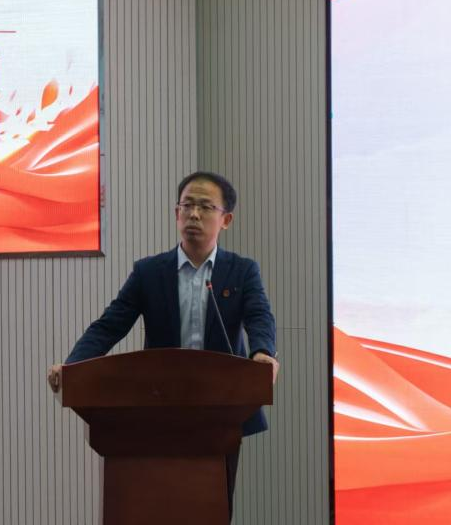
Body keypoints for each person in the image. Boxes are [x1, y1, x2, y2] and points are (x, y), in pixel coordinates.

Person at [46, 171, 278, 520]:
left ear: (226, 219)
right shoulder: (149, 272)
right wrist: (73, 366)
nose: (194, 214)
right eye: (187, 205)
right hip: (155, 409)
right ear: (176, 213)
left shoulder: (242, 271)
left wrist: (263, 353)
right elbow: (109, 326)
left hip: (220, 412)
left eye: (205, 207)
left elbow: (259, 316)